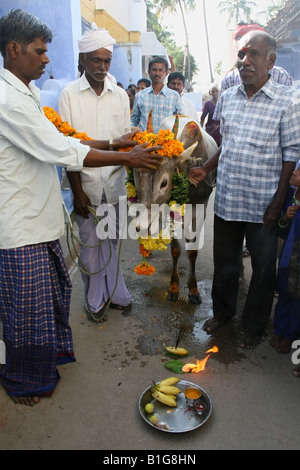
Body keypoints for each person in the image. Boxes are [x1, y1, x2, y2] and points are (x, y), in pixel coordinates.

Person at [0, 9, 163, 406]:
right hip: (20, 223)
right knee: (26, 311)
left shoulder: (28, 93)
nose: (45, 59)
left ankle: (43, 363)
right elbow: (63, 147)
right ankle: (23, 381)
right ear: (14, 49)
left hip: (43, 216)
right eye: (39, 51)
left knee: (50, 297)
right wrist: (127, 157)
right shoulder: (10, 99)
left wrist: (116, 145)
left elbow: (72, 140)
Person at [190, 31, 300, 349]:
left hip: (263, 202)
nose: (245, 61)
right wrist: (207, 168)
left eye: (253, 54)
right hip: (227, 200)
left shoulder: (287, 100)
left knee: (263, 269)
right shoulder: (228, 96)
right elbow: (229, 144)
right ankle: (223, 314)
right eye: (241, 54)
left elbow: (291, 154)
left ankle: (253, 325)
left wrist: (278, 201)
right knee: (226, 264)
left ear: (270, 60)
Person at [59, 23, 135, 323]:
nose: (102, 67)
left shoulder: (119, 96)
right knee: (90, 246)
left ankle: (116, 294)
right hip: (86, 186)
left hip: (115, 185)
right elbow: (68, 147)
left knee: (113, 242)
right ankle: (95, 300)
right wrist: (76, 191)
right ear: (82, 61)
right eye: (96, 61)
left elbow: (125, 142)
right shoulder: (68, 95)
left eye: (106, 60)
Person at [269, 164, 300, 357]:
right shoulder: (291, 195)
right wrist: (286, 218)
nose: (294, 171)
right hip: (287, 258)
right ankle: (278, 330)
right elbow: (281, 228)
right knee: (283, 293)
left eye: (298, 172)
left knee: (297, 299)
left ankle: (290, 335)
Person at [131, 56, 183, 133]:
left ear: (166, 73)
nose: (157, 73)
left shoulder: (174, 96)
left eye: (160, 70)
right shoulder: (140, 96)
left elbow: (180, 122)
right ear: (149, 72)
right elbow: (134, 120)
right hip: (144, 142)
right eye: (154, 70)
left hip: (166, 143)